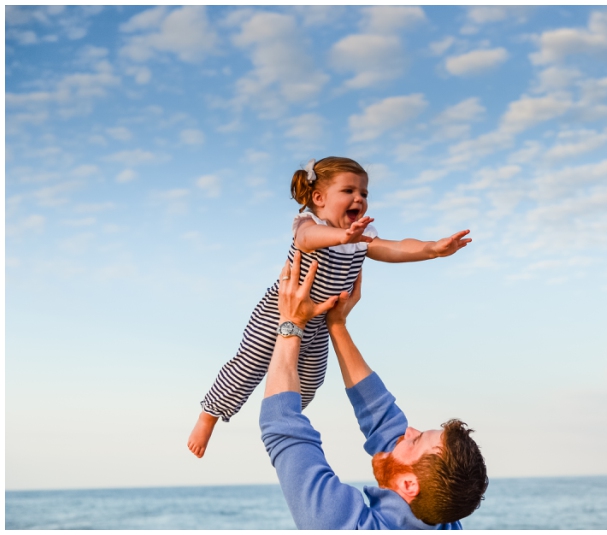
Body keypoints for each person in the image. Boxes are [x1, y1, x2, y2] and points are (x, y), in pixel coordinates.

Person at [188, 156, 472, 458]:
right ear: (319, 198)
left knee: (312, 380)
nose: (359, 198)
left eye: (364, 193)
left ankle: (283, 414)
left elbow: (398, 246)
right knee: (249, 366)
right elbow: (308, 240)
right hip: (277, 313)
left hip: (319, 324)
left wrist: (431, 250)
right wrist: (341, 236)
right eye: (348, 191)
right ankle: (209, 415)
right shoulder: (310, 225)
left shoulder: (362, 238)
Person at [261, 254, 488, 529]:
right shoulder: (441, 514)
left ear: (408, 484)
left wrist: (290, 324)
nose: (409, 430)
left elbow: (280, 424)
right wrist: (337, 324)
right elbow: (383, 419)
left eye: (414, 441)